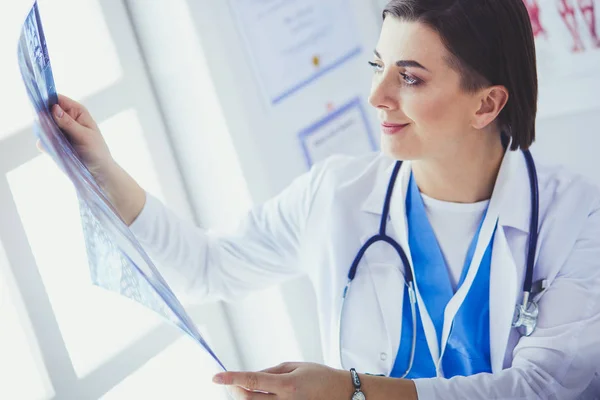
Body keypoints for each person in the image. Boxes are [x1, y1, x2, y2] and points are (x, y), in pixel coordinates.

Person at [47, 0, 600, 398]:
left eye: (409, 77)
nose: (376, 96)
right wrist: (102, 166)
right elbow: (206, 268)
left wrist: (352, 392)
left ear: (486, 105)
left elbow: (541, 387)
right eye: (377, 67)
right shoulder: (336, 194)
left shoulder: (575, 218)